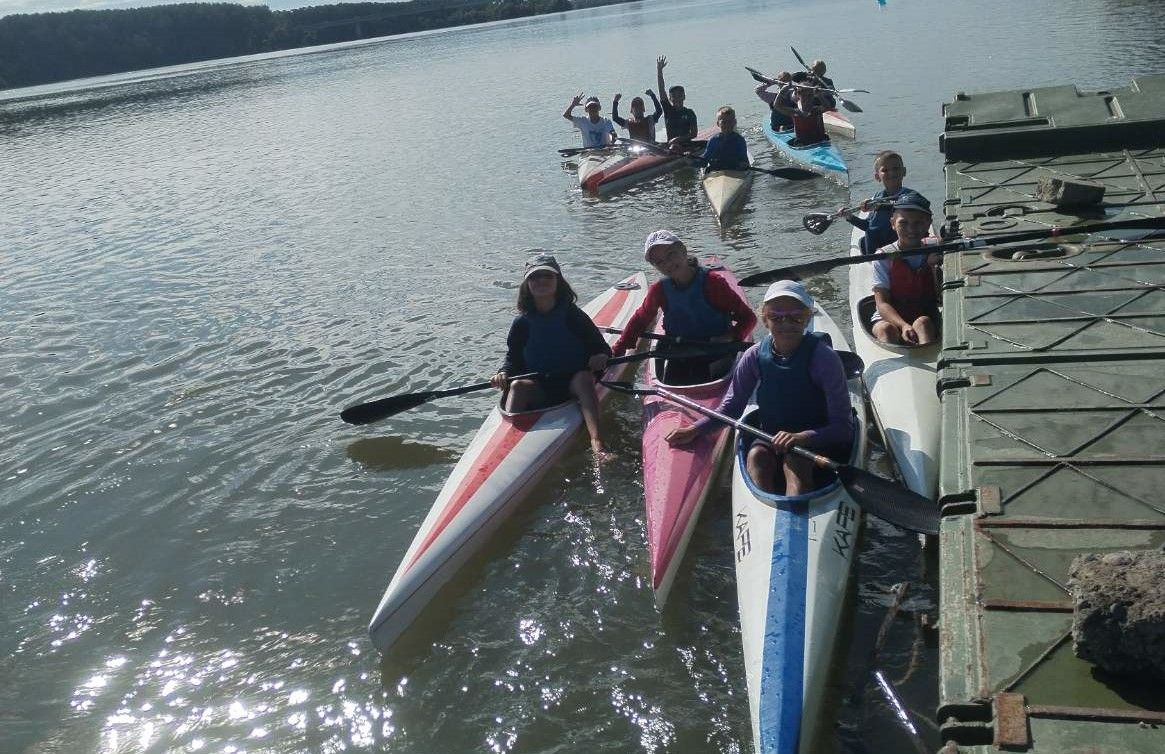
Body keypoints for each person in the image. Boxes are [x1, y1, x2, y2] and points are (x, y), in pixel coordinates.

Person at [666, 280, 853, 495]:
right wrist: (695, 429)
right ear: (765, 320)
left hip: (817, 439)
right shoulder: (753, 356)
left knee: (795, 461)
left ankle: (795, 509)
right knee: (756, 458)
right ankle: (764, 506)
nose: (786, 323)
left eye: (796, 316)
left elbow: (843, 429)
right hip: (771, 437)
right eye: (776, 317)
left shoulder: (824, 359)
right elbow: (731, 408)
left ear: (807, 318)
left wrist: (802, 437)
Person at [491, 253, 612, 455]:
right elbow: (513, 359)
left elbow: (601, 348)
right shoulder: (522, 323)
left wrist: (600, 356)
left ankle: (597, 442)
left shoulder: (573, 315)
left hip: (572, 385)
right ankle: (504, 450)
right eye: (534, 277)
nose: (541, 281)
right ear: (527, 285)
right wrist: (503, 372)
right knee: (518, 385)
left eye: (548, 276)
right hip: (540, 387)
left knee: (583, 378)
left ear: (558, 281)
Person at [611, 230, 756, 385]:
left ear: (683, 250)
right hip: (680, 352)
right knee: (676, 378)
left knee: (704, 376)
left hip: (716, 352)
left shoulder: (713, 283)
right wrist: (617, 350)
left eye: (671, 254)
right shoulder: (659, 290)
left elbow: (749, 318)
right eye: (659, 262)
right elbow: (640, 319)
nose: (667, 264)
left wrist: (732, 336)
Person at [870, 193, 942, 346]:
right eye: (904, 223)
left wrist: (933, 267)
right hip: (889, 317)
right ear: (893, 223)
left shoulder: (936, 246)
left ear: (928, 223)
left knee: (923, 323)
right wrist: (903, 325)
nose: (911, 229)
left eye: (918, 223)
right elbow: (882, 303)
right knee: (886, 330)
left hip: (923, 314)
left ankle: (929, 359)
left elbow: (939, 296)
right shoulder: (882, 257)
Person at [843, 150, 916, 255]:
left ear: (904, 171)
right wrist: (849, 217)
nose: (891, 172)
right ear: (877, 177)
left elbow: (907, 204)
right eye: (885, 170)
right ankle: (872, 262)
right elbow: (868, 226)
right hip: (877, 253)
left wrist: (879, 206)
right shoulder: (877, 198)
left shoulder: (911, 196)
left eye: (895, 168)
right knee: (865, 238)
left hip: (900, 248)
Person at [656, 55, 698, 145]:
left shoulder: (689, 113)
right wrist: (659, 70)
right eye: (674, 96)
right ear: (670, 99)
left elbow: (694, 134)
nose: (677, 98)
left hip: (687, 146)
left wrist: (678, 139)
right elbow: (661, 89)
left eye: (679, 95)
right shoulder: (668, 109)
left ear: (684, 97)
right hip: (672, 148)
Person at [700, 106, 750, 172]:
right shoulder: (713, 141)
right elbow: (704, 162)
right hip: (716, 172)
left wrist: (744, 164)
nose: (727, 125)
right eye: (724, 122)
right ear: (718, 124)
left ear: (734, 122)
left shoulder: (739, 140)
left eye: (730, 122)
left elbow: (745, 161)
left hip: (735, 171)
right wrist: (689, 162)